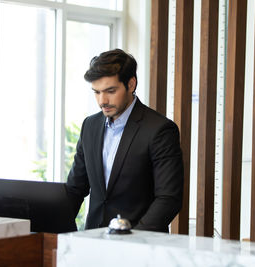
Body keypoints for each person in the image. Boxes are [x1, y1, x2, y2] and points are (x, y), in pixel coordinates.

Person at [65, 48, 184, 233]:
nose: (102, 101)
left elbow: (168, 198)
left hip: (141, 246)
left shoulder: (160, 130)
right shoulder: (90, 126)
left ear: (131, 84)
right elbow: (75, 188)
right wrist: (55, 228)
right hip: (93, 241)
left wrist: (134, 240)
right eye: (96, 92)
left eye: (110, 91)